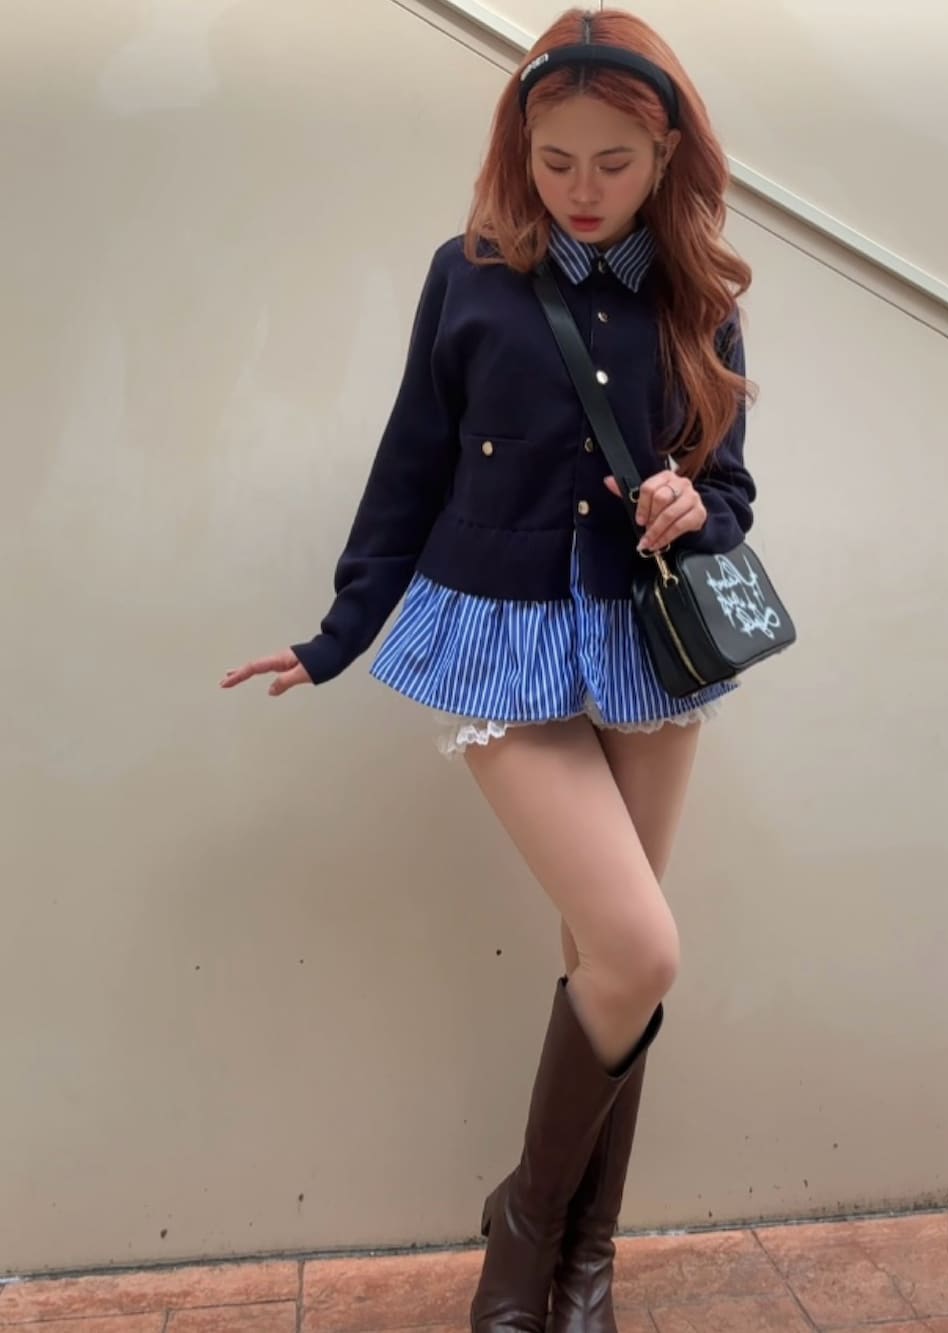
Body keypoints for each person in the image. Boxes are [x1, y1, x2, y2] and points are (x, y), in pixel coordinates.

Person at [221, 6, 756, 1329]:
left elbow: (732, 490)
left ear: (667, 154)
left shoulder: (700, 294)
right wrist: (339, 632)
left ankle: (581, 1261)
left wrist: (693, 502)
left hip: (646, 641)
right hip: (496, 630)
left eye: (613, 163)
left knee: (606, 959)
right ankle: (523, 1239)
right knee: (640, 948)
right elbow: (411, 460)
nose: (581, 188)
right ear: (520, 148)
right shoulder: (465, 275)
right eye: (554, 158)